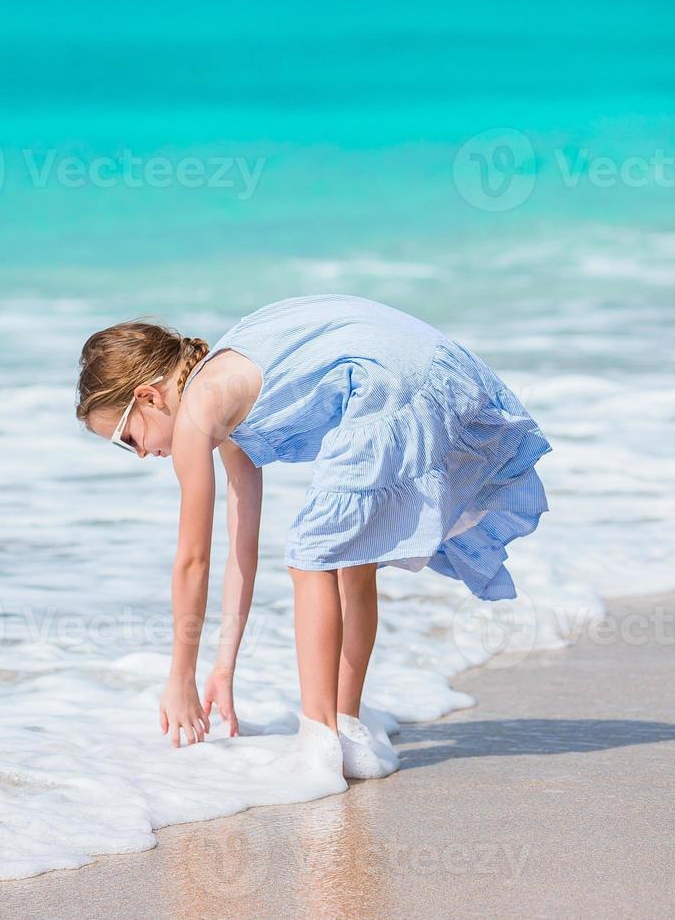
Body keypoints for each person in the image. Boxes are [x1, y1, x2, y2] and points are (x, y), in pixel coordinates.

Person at [74, 293, 552, 779]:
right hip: (431, 371)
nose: (138, 454)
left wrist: (179, 679)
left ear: (149, 397)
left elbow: (192, 561)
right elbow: (243, 551)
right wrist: (221, 666)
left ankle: (318, 741)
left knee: (313, 553)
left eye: (127, 439)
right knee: (350, 557)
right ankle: (347, 727)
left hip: (390, 383)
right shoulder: (222, 399)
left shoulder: (199, 410)